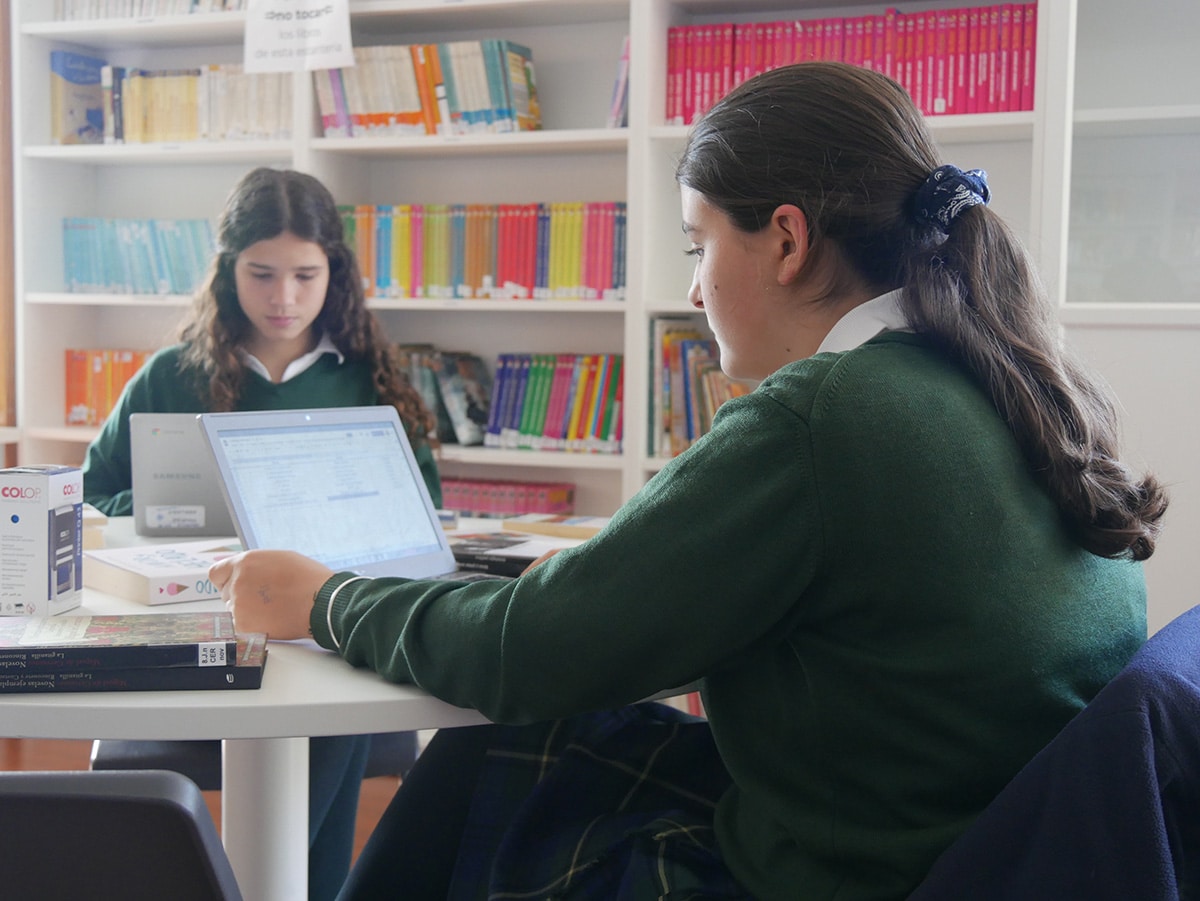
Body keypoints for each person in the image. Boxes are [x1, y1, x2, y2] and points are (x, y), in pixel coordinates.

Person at [209, 63, 1168, 900]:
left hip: (847, 873)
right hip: (970, 845)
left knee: (495, 746)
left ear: (787, 241)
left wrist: (325, 598)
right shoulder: (1007, 376)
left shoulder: (823, 414)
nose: (697, 289)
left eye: (698, 244)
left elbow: (525, 654)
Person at [82, 167, 441, 901]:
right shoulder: (168, 377)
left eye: (306, 275)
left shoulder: (370, 378)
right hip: (204, 621)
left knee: (335, 690)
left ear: (333, 274)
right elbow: (92, 500)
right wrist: (180, 519)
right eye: (262, 273)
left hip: (325, 622)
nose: (284, 298)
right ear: (227, 272)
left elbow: (424, 506)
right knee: (330, 704)